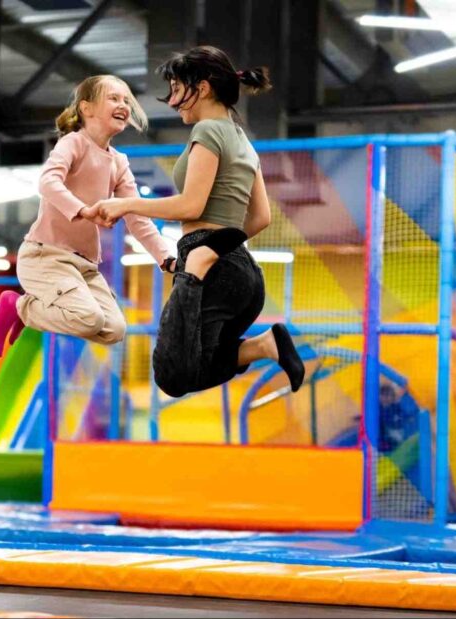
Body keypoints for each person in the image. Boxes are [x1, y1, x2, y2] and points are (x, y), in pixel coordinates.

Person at [95, 46, 304, 398]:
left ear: (203, 88)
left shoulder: (207, 131)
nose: (173, 101)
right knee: (194, 366)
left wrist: (125, 204)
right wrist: (225, 246)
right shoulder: (243, 141)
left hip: (207, 265)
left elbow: (192, 205)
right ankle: (264, 346)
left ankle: (208, 270)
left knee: (172, 373)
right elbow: (261, 217)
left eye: (177, 90)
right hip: (245, 275)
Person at [0, 75, 174, 356]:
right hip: (45, 256)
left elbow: (136, 216)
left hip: (84, 266)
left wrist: (165, 257)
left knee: (114, 329)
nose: (123, 104)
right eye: (113, 98)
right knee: (90, 318)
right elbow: (48, 182)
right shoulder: (73, 143)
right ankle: (19, 306)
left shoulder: (119, 162)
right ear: (87, 109)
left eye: (126, 100)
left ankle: (25, 311)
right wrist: (83, 210)